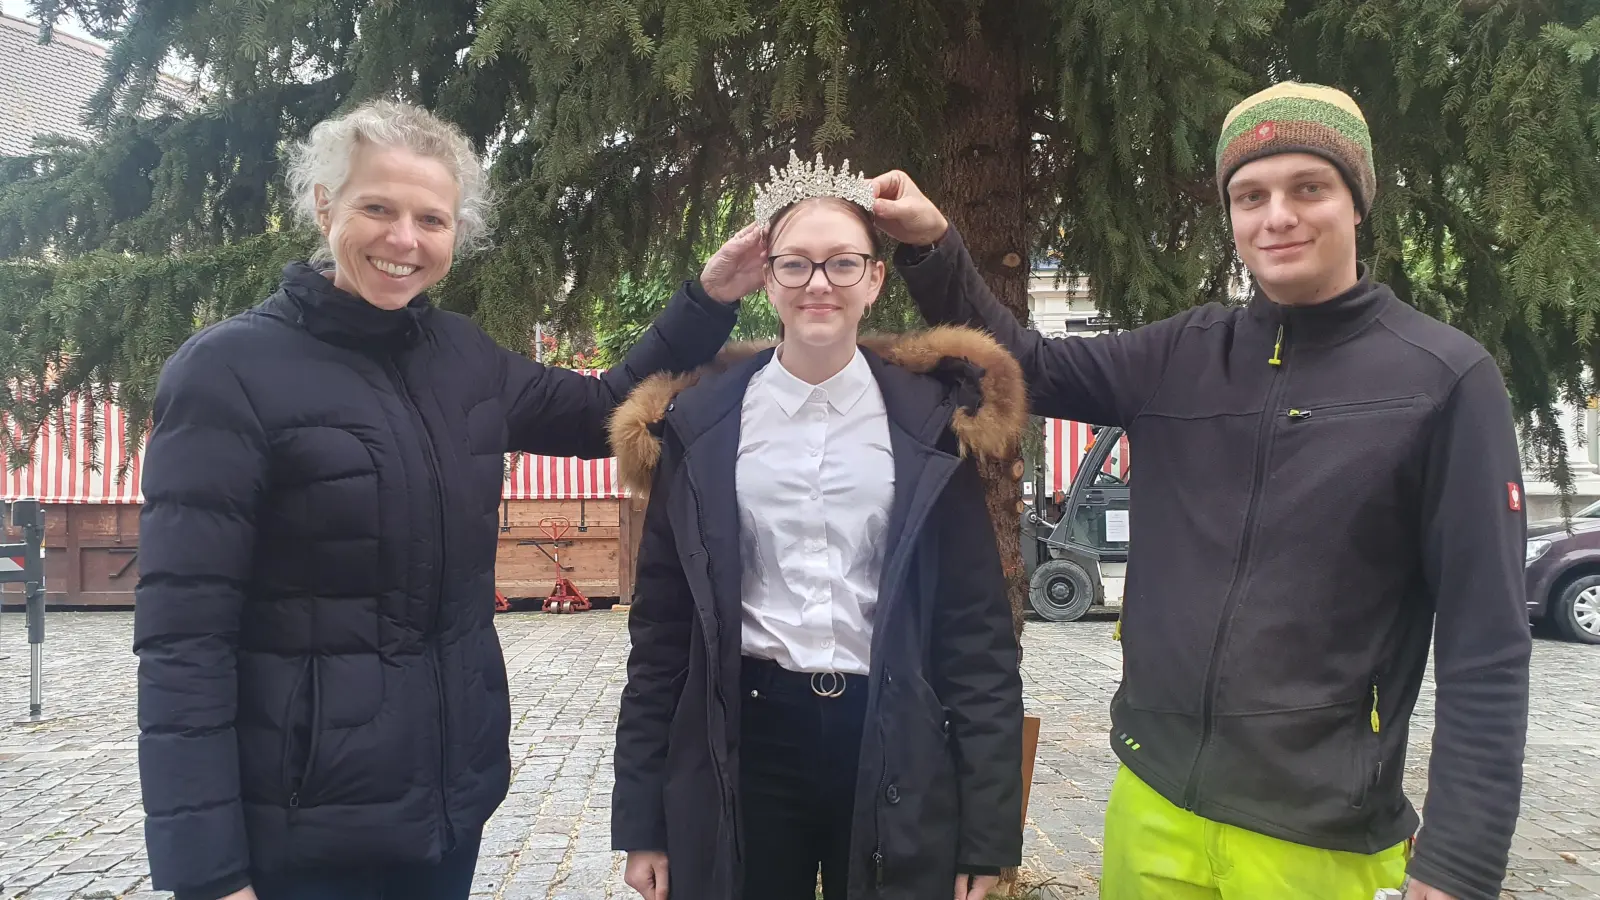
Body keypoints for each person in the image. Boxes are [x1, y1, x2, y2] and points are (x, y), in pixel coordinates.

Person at [870, 83, 1531, 900]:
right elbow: (1026, 362)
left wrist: (1461, 865)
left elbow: (1487, 645)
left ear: (1356, 202)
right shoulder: (1182, 352)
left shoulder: (1446, 379)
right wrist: (935, 248)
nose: (1276, 217)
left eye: (1307, 189)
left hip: (1319, 838)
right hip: (1153, 810)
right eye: (1250, 196)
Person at [133, 99, 763, 900]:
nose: (404, 240)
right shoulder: (227, 373)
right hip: (300, 832)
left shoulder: (463, 356)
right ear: (325, 206)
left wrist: (707, 300)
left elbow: (600, 405)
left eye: (432, 218)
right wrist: (208, 873)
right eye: (377, 208)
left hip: (445, 811)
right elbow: (184, 640)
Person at [608, 153, 1027, 900]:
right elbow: (663, 632)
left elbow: (975, 634)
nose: (819, 284)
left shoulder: (932, 423)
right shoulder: (701, 426)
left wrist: (987, 832)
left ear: (874, 278)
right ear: (768, 279)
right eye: (796, 265)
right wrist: (643, 817)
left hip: (891, 731)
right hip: (752, 734)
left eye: (842, 263)